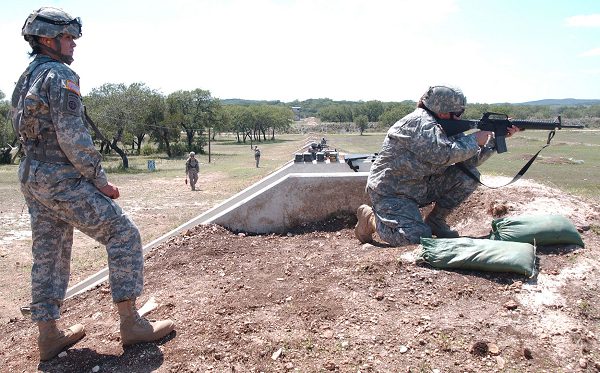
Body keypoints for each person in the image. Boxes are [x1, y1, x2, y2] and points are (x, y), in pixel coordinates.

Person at [11, 7, 175, 361]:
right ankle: (132, 324)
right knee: (123, 234)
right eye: (67, 37)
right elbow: (73, 135)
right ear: (45, 39)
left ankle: (48, 335)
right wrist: (100, 181)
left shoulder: (27, 77)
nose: (73, 44)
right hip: (60, 176)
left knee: (48, 254)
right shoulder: (60, 75)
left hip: (31, 174)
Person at [355, 85, 519, 245]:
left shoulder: (442, 125)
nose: (460, 117)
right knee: (415, 237)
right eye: (458, 112)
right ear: (442, 111)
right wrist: (475, 139)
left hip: (421, 187)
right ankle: (371, 218)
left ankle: (436, 221)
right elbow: (444, 155)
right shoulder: (419, 123)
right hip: (391, 192)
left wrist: (494, 141)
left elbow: (469, 161)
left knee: (469, 176)